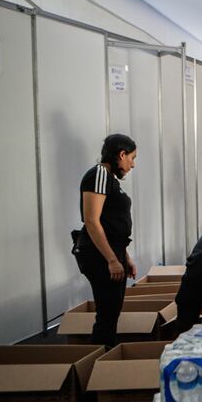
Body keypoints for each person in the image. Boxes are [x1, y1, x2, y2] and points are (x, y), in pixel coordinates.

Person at [72, 134, 138, 348]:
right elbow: (92, 221)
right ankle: (99, 363)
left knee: (111, 312)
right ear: (122, 154)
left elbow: (111, 225)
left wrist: (124, 257)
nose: (132, 165)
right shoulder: (99, 173)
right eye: (132, 158)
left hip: (112, 251)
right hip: (99, 255)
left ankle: (104, 358)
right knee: (107, 313)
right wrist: (111, 259)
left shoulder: (109, 179)